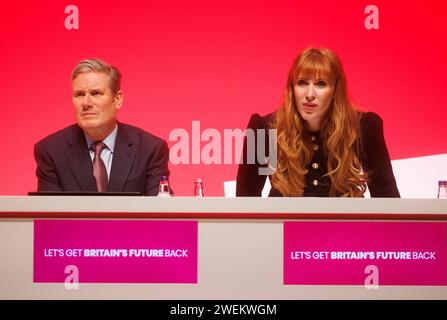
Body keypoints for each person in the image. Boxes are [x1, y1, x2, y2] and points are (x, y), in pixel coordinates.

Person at [236, 47, 400, 197]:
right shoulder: (265, 130)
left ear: (335, 89)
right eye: (302, 83)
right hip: (283, 227)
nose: (309, 94)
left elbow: (387, 197)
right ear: (292, 88)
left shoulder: (363, 128)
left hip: (346, 228)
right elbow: (246, 199)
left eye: (321, 84)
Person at [34, 58, 170, 195]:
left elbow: (160, 211)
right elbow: (50, 213)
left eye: (95, 93)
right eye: (79, 94)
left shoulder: (149, 149)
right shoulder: (51, 151)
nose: (86, 103)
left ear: (117, 99)